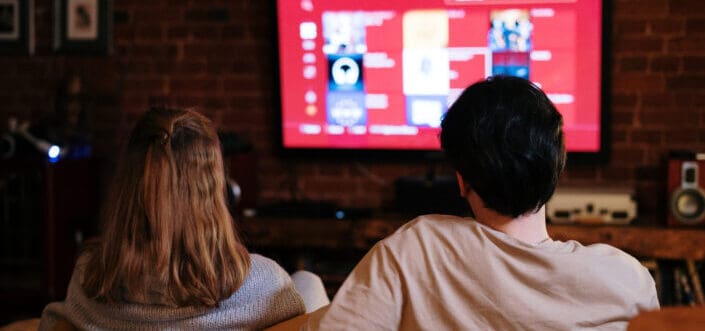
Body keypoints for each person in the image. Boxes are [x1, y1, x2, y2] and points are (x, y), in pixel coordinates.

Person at [303, 76, 659, 330]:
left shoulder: (417, 248)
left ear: (462, 180)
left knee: (304, 284)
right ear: (557, 166)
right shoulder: (629, 280)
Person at [39, 108, 308, 330]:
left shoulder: (89, 278)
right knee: (308, 280)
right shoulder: (264, 284)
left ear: (126, 189)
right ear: (215, 190)